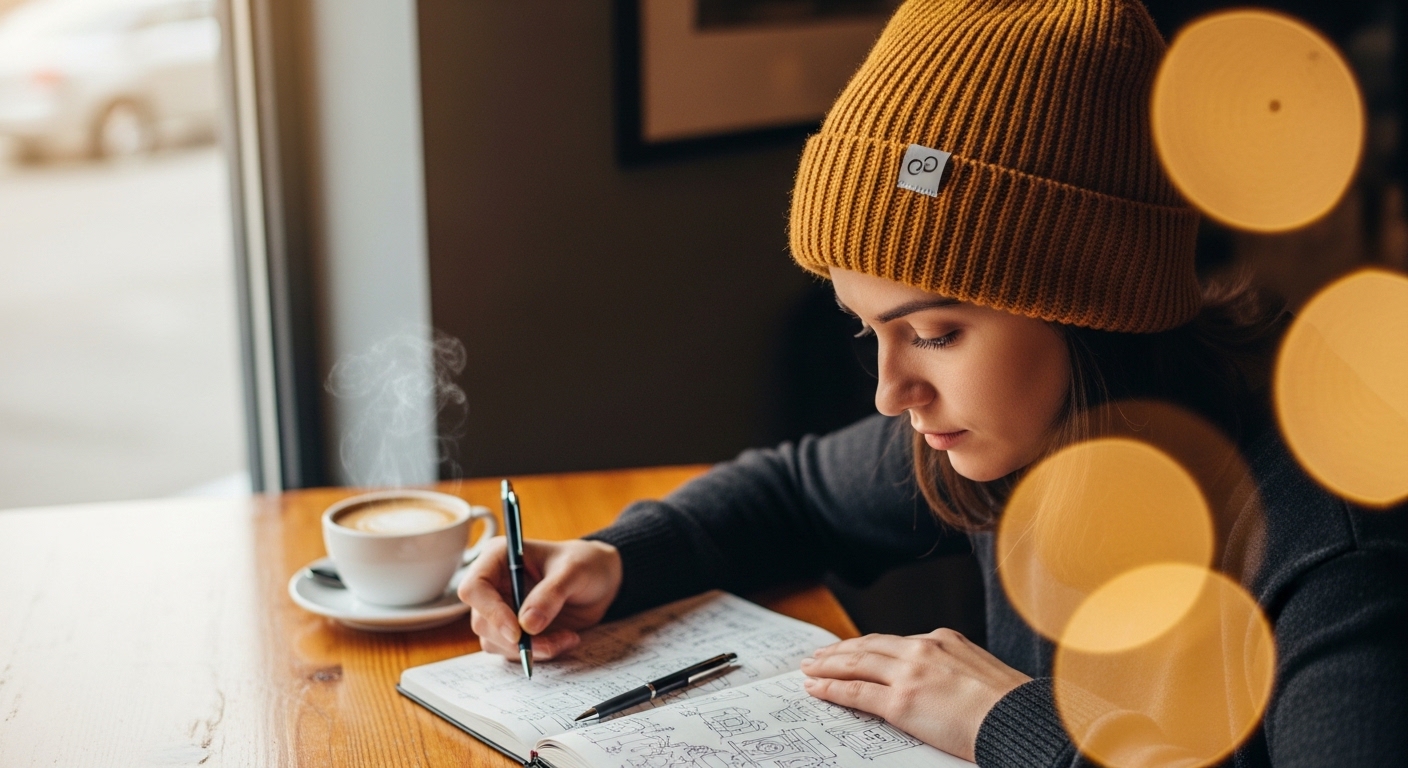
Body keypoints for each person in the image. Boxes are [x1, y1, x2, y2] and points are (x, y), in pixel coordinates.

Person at [459, 0, 1408, 764]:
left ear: (1093, 309)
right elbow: (791, 490)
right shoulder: (1028, 430)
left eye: (936, 333)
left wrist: (1015, 725)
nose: (889, 393)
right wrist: (617, 559)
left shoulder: (1336, 557)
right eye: (868, 330)